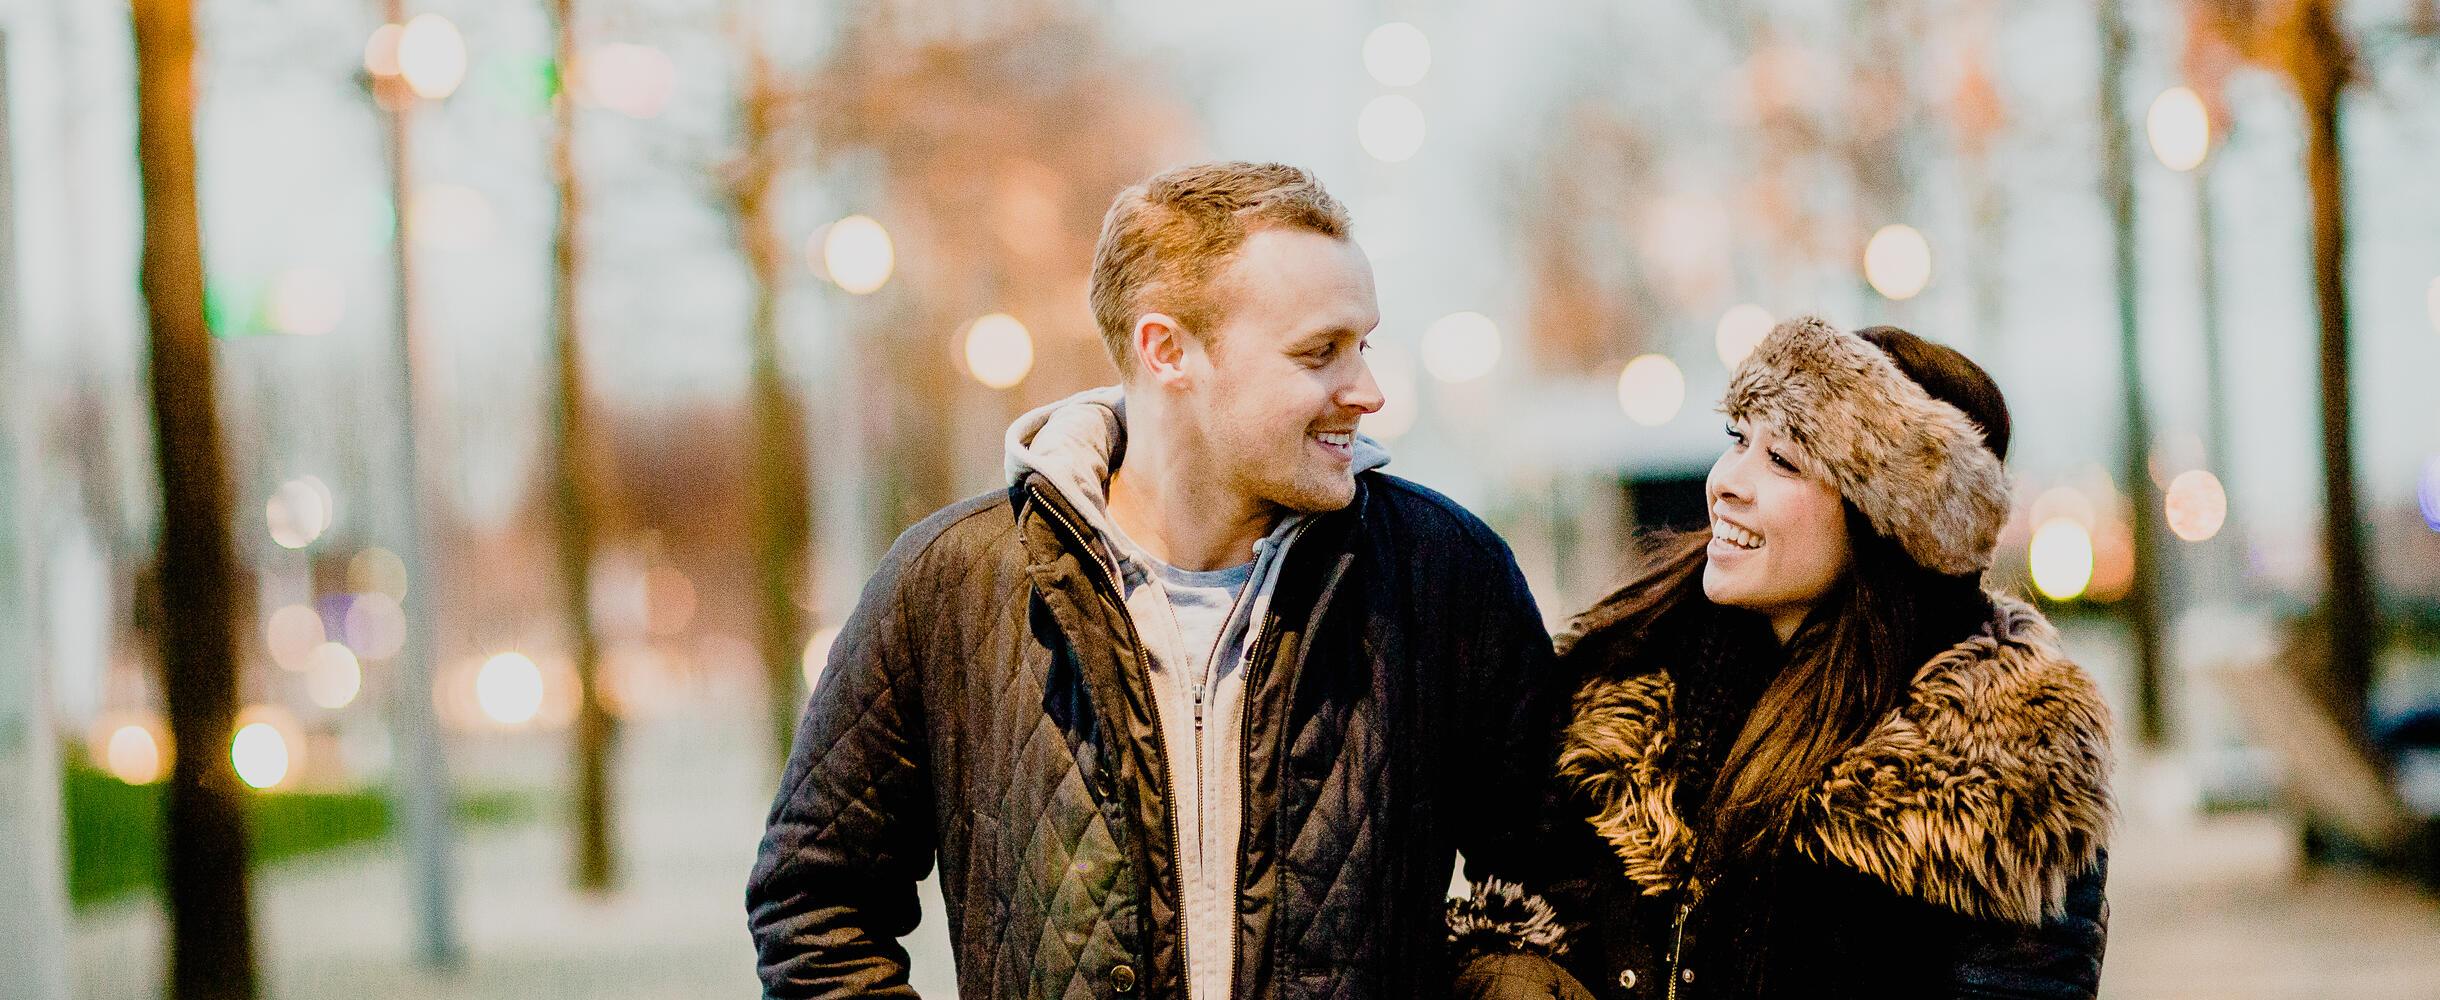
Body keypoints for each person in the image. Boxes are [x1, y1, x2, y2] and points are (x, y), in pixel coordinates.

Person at [749, 161, 1568, 999]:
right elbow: (813, 903)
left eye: (1363, 345)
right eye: (1321, 352)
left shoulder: (1443, 571)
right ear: (1167, 350)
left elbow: (1561, 886)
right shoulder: (951, 584)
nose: (1367, 390)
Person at [1447, 318, 2113, 999]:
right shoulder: (1625, 693)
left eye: (1784, 461)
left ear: (1888, 522)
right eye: (1739, 440)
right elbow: (1527, 915)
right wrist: (1514, 978)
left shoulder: (2003, 768)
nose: (1728, 482)